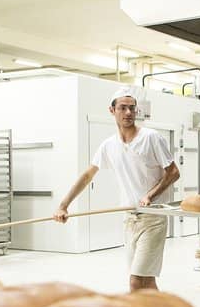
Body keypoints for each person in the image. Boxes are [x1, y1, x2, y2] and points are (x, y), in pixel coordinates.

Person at [54, 88, 180, 292]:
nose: (128, 113)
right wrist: (63, 206)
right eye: (123, 108)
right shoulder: (108, 145)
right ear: (112, 110)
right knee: (146, 281)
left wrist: (150, 195)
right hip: (129, 218)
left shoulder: (151, 137)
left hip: (153, 217)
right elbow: (87, 176)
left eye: (132, 108)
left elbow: (173, 172)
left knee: (136, 280)